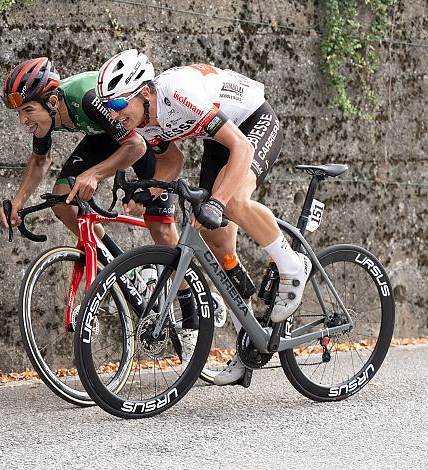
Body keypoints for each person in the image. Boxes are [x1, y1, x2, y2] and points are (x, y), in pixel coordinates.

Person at [96, 50, 312, 385]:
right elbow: (171, 164)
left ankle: (292, 266)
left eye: (120, 106)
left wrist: (218, 201)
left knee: (232, 203)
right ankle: (248, 343)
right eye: (110, 109)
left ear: (144, 93)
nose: (115, 115)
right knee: (216, 236)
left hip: (253, 124)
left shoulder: (178, 93)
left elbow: (242, 147)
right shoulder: (146, 121)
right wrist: (146, 193)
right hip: (221, 136)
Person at [0, 57, 199, 365]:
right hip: (104, 138)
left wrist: (96, 175)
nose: (23, 121)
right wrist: (19, 201)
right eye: (19, 113)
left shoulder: (87, 98)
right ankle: (120, 265)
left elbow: (135, 147)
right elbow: (40, 161)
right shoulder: (45, 117)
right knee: (62, 203)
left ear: (52, 101)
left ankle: (190, 308)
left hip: (139, 138)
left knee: (159, 226)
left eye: (27, 111)